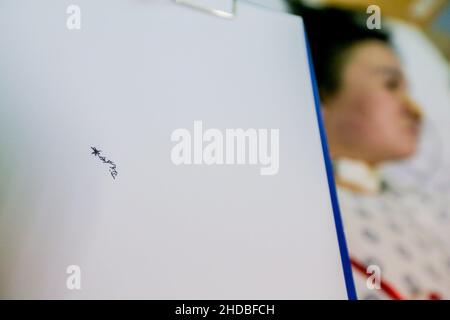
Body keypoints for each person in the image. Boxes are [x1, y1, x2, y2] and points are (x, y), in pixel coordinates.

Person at [288, 1, 450, 299]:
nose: (415, 110)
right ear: (317, 96)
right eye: (391, 85)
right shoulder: (285, 202)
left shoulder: (426, 211)